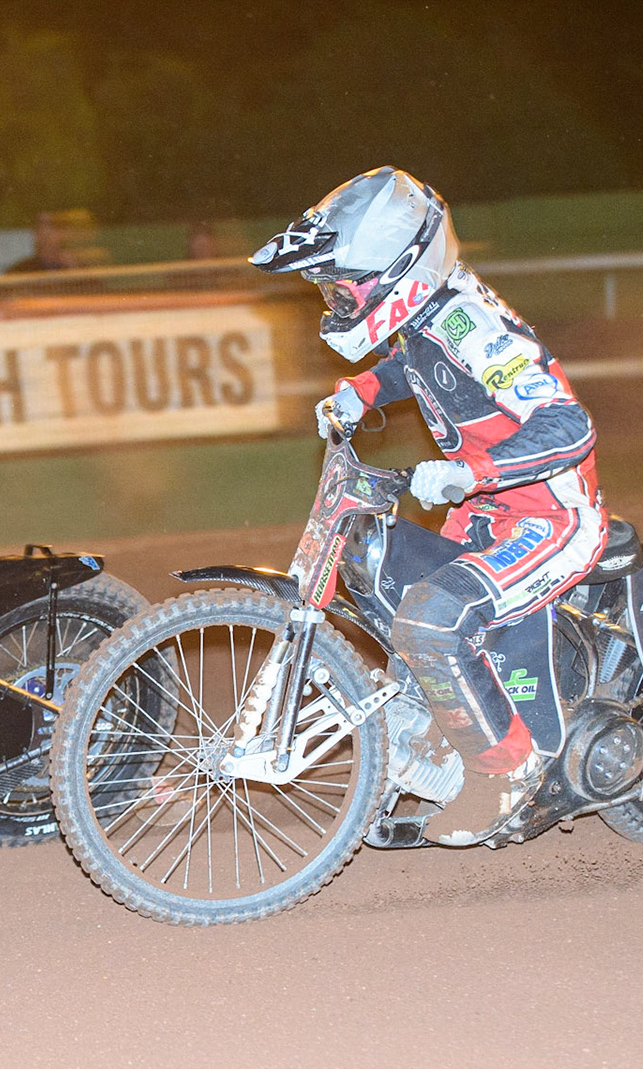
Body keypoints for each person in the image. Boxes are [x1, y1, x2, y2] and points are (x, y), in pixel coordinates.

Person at [250, 167, 608, 846]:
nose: (335, 302)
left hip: (550, 517)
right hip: (485, 514)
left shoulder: (471, 325)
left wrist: (471, 470)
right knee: (388, 583)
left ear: (400, 271)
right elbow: (414, 364)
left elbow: (570, 426)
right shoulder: (426, 317)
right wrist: (363, 388)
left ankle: (513, 774)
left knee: (435, 620)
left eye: (343, 289)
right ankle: (425, 751)